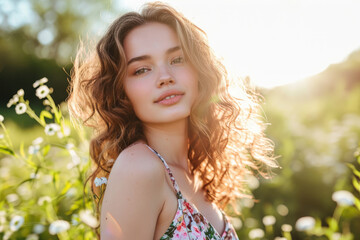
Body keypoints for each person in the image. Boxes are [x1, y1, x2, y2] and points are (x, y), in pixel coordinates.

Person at [67, 2, 277, 239]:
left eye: (177, 59)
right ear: (121, 91)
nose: (165, 77)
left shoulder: (194, 172)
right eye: (141, 70)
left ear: (199, 70)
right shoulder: (138, 168)